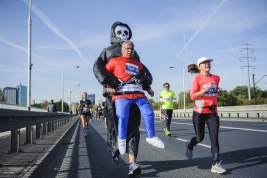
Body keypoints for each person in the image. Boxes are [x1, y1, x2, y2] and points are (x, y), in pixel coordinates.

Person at [93, 21, 153, 176]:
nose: (123, 36)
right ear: (113, 34)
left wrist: (147, 84)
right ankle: (115, 149)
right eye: (119, 33)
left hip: (133, 94)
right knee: (115, 125)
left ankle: (133, 163)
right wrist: (108, 82)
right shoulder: (107, 51)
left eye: (126, 33)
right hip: (115, 95)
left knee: (133, 128)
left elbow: (142, 70)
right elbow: (98, 66)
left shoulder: (135, 54)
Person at [105, 40, 164, 154]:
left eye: (132, 48)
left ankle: (151, 136)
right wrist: (108, 85)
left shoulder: (138, 63)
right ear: (122, 50)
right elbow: (105, 74)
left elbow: (142, 78)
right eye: (127, 48)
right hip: (122, 95)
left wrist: (148, 88)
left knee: (149, 113)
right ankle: (121, 140)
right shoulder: (114, 61)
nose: (129, 50)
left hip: (138, 94)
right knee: (122, 116)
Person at [186, 57, 226, 174]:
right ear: (199, 67)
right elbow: (193, 96)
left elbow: (216, 91)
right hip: (199, 112)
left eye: (208, 62)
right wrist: (205, 89)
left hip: (212, 113)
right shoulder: (197, 79)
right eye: (204, 63)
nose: (207, 64)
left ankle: (215, 164)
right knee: (199, 138)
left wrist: (220, 92)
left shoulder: (216, 78)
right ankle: (190, 145)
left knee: (214, 139)